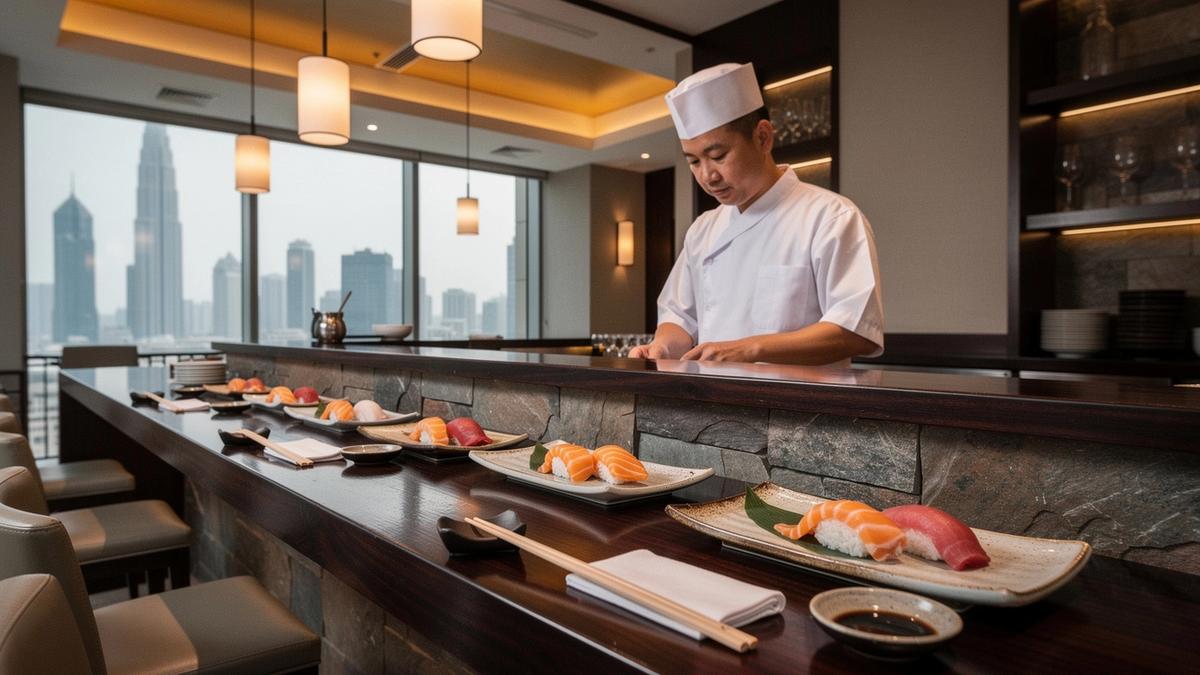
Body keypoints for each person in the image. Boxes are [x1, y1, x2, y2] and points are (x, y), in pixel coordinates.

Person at [629, 62, 884, 365]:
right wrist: (661, 347)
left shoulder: (831, 217)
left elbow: (856, 330)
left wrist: (750, 348)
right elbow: (680, 318)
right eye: (694, 162)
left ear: (763, 137)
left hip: (800, 407)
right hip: (711, 402)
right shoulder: (703, 230)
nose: (707, 176)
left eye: (718, 156)